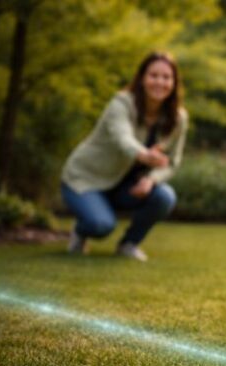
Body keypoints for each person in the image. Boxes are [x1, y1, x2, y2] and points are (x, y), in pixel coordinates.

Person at [61, 51, 188, 262]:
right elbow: (123, 139)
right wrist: (145, 155)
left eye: (166, 77)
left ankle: (129, 244)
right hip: (85, 180)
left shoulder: (178, 118)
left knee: (164, 196)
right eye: (153, 75)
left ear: (174, 83)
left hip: (124, 186)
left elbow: (172, 162)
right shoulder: (121, 104)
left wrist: (150, 179)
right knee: (100, 226)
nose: (160, 82)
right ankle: (82, 230)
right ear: (142, 78)